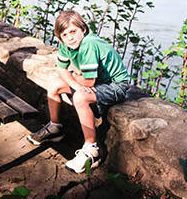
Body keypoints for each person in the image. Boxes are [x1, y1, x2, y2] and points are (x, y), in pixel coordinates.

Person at [27, 10, 130, 174]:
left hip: (115, 85)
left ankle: (92, 149)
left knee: (80, 97)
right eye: (65, 35)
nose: (70, 37)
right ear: (60, 37)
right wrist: (74, 82)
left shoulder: (89, 44)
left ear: (83, 29)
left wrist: (75, 81)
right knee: (54, 84)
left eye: (73, 31)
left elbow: (89, 82)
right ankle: (55, 128)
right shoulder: (66, 44)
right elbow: (61, 70)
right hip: (95, 80)